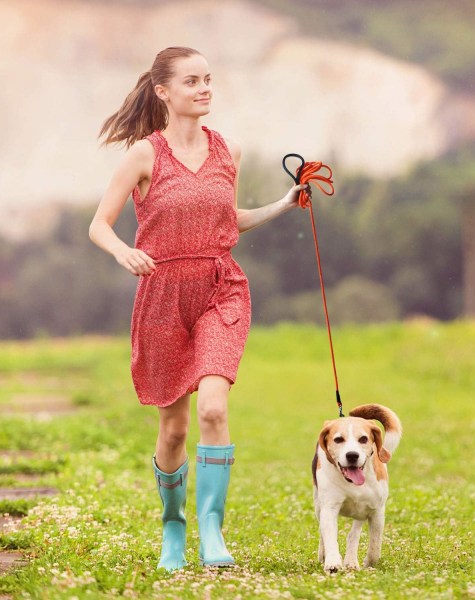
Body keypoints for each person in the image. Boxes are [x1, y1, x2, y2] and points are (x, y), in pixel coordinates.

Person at [89, 46, 306, 571]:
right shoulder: (144, 154)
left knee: (213, 408)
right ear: (164, 92)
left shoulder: (225, 151)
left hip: (220, 287)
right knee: (175, 429)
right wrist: (125, 251)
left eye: (208, 79)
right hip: (162, 293)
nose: (204, 89)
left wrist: (284, 203)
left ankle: (211, 529)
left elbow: (227, 219)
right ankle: (173, 527)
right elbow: (99, 224)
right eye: (192, 82)